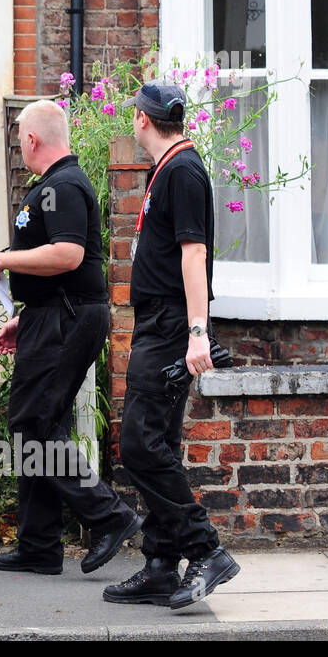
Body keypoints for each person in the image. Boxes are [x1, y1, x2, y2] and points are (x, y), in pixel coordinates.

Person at [0, 100, 143, 576]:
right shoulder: (53, 186)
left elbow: (69, 255)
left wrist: (5, 261)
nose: (20, 148)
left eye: (20, 140)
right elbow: (53, 259)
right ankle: (39, 544)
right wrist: (26, 314)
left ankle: (111, 517)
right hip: (51, 316)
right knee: (39, 422)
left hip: (66, 319)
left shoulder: (66, 185)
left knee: (31, 426)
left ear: (32, 139)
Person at [103, 79, 240, 609]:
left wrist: (197, 332)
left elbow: (193, 254)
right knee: (156, 441)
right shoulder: (173, 167)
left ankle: (207, 550)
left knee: (139, 444)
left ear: (141, 119)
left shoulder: (182, 170)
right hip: (160, 324)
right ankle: (161, 564)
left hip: (169, 327)